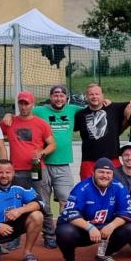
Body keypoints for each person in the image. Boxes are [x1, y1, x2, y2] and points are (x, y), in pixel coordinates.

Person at [56, 158, 131, 261]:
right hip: (84, 230)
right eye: (101, 172)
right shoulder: (82, 188)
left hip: (105, 229)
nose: (105, 176)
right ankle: (70, 260)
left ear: (113, 175)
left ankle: (104, 254)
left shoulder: (119, 187)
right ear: (93, 172)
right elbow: (70, 213)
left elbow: (126, 212)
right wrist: (90, 228)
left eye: (108, 173)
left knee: (130, 228)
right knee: (64, 232)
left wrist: (111, 226)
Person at [33, 84, 82, 250]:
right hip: (42, 164)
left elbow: (93, 107)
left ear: (66, 98)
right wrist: (8, 116)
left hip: (63, 164)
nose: (58, 98)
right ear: (50, 97)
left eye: (62, 96)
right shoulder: (40, 111)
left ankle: (63, 232)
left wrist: (107, 102)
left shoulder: (73, 109)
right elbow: (22, 115)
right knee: (44, 203)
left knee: (66, 200)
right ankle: (49, 235)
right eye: (55, 95)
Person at [0, 91, 57, 187]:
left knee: (40, 196)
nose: (23, 107)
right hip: (16, 170)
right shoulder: (9, 122)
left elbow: (52, 144)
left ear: (33, 104)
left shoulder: (41, 123)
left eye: (26, 104)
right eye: (21, 103)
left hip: (36, 168)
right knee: (18, 196)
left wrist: (42, 153)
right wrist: (7, 115)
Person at [75, 83, 131, 181]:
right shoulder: (80, 115)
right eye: (91, 94)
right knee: (88, 188)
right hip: (89, 161)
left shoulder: (114, 108)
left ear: (102, 95)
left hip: (112, 159)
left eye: (97, 94)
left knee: (115, 187)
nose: (94, 96)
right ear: (86, 96)